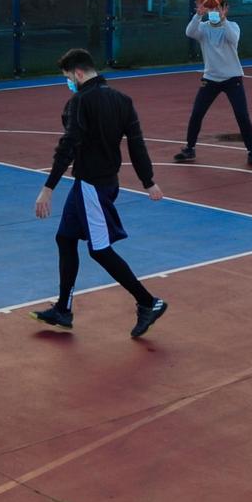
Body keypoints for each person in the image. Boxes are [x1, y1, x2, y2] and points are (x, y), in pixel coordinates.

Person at [31, 48, 168, 339]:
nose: (68, 83)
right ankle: (63, 309)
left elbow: (68, 146)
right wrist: (148, 181)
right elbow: (137, 144)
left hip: (92, 185)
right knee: (65, 238)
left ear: (78, 73)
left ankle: (148, 302)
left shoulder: (80, 101)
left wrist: (48, 188)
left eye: (68, 78)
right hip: (96, 183)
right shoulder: (123, 100)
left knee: (100, 249)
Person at [175, 0, 252, 170]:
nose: (214, 13)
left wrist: (223, 20)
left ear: (225, 9)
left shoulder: (232, 27)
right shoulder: (203, 28)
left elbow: (233, 39)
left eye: (217, 9)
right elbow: (189, 32)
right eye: (211, 9)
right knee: (197, 113)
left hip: (233, 79)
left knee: (242, 115)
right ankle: (190, 148)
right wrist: (198, 15)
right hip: (210, 79)